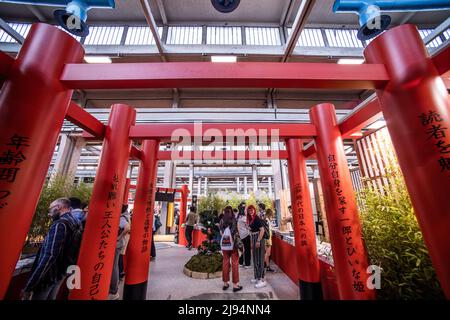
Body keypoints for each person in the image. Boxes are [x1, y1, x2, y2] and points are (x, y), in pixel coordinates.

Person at [21, 198, 82, 300]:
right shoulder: (76, 221)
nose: (49, 213)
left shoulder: (60, 224)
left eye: (51, 209)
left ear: (58, 207)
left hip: (48, 275)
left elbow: (50, 255)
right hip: (62, 271)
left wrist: (30, 285)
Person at [109, 204, 131, 300]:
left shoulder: (121, 217)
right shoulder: (125, 216)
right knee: (115, 265)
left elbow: (127, 228)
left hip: (117, 244)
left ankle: (114, 291)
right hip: (120, 243)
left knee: (114, 267)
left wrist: (118, 237)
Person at [219, 206, 243, 292]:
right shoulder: (234, 220)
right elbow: (235, 233)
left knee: (225, 263)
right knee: (235, 264)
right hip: (233, 246)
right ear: (232, 212)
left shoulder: (221, 220)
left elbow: (221, 233)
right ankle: (235, 285)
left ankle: (225, 284)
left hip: (225, 246)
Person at [247, 204, 267, 288]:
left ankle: (262, 279)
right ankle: (257, 276)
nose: (250, 211)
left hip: (259, 239)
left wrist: (258, 240)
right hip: (254, 238)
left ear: (254, 210)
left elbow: (262, 230)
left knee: (260, 258)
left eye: (252, 210)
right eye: (249, 210)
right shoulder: (250, 219)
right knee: (255, 258)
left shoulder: (257, 218)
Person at [119, 206, 131, 280]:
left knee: (120, 254)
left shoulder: (123, 217)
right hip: (125, 237)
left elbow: (127, 228)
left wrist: (119, 236)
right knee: (121, 254)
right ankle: (121, 271)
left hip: (123, 237)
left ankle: (121, 272)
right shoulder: (127, 216)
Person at [237, 204, 251, 268]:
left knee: (243, 249)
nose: (247, 210)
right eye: (246, 209)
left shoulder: (239, 217)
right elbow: (249, 226)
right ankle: (247, 264)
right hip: (246, 235)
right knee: (247, 250)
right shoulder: (244, 218)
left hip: (241, 235)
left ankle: (241, 262)